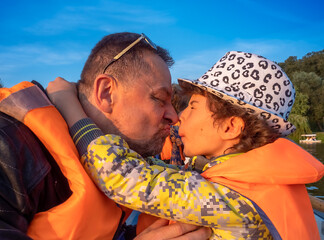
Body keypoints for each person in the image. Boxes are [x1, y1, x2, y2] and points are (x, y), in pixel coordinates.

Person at [47, 51, 324, 240]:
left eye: (192, 106)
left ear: (230, 127)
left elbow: (123, 178)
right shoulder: (253, 183)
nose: (179, 117)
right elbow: (167, 175)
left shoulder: (232, 200)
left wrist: (71, 108)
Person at [0, 32, 211, 239]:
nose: (174, 117)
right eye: (158, 98)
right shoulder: (10, 141)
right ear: (106, 93)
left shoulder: (132, 155)